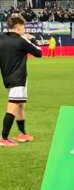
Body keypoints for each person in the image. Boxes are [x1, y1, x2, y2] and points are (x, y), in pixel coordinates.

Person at [0, 14, 41, 146]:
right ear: (18, 28)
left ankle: (22, 134)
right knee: (12, 106)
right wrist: (32, 39)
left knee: (20, 105)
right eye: (23, 28)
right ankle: (3, 138)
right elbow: (39, 53)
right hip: (18, 78)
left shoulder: (1, 38)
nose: (24, 30)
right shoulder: (21, 41)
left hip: (7, 77)